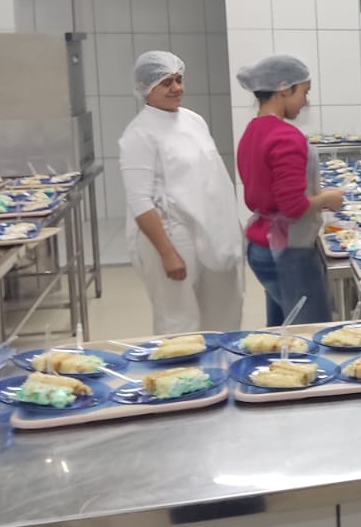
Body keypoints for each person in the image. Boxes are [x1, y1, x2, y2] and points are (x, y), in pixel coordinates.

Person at [118, 50, 243, 334]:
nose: (177, 88)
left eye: (179, 79)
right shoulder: (139, 134)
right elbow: (139, 202)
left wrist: (229, 222)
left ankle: (220, 361)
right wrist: (167, 253)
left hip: (209, 229)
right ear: (146, 88)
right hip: (172, 233)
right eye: (166, 83)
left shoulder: (193, 120)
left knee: (224, 311)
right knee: (178, 320)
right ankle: (181, 365)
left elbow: (211, 175)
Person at [234, 54, 344, 326]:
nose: (305, 102)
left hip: (261, 245)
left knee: (283, 328)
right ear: (284, 89)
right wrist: (327, 199)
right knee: (311, 330)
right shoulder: (286, 137)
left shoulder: (253, 130)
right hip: (288, 251)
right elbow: (293, 206)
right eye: (304, 92)